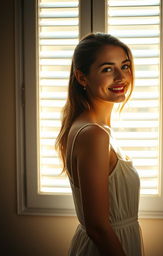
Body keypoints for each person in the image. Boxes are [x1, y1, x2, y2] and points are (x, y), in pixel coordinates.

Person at [56, 32, 144, 256]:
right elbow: (97, 228)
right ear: (82, 77)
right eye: (107, 69)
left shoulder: (89, 127)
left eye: (124, 66)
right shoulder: (93, 134)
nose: (121, 77)